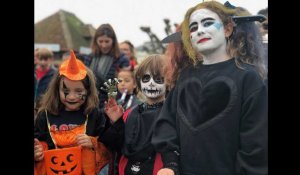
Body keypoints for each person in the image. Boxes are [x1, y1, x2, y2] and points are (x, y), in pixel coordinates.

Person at [152, 1, 268, 175]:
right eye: (193, 27)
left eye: (207, 23)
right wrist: (171, 163)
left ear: (227, 29)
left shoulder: (247, 77)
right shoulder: (186, 76)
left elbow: (256, 142)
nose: (199, 30)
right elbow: (167, 122)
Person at [34, 50, 112, 175]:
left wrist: (92, 143)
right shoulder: (45, 115)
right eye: (66, 91)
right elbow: (38, 141)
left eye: (78, 91)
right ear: (56, 90)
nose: (71, 97)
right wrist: (38, 152)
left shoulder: (94, 115)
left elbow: (108, 147)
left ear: (88, 91)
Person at [105, 54, 167, 175]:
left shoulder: (172, 113)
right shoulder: (130, 113)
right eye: (146, 78)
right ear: (139, 82)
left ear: (169, 80)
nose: (151, 83)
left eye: (158, 79)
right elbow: (117, 146)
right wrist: (116, 122)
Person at [84, 23, 130, 110]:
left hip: (112, 101)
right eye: (100, 41)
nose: (104, 45)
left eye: (107, 41)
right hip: (90, 102)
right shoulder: (89, 57)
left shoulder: (122, 59)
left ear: (113, 41)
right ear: (95, 41)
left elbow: (125, 82)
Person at [34, 48, 57, 116]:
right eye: (40, 59)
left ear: (50, 59)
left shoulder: (54, 74)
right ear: (37, 59)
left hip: (45, 106)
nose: (43, 62)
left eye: (45, 59)